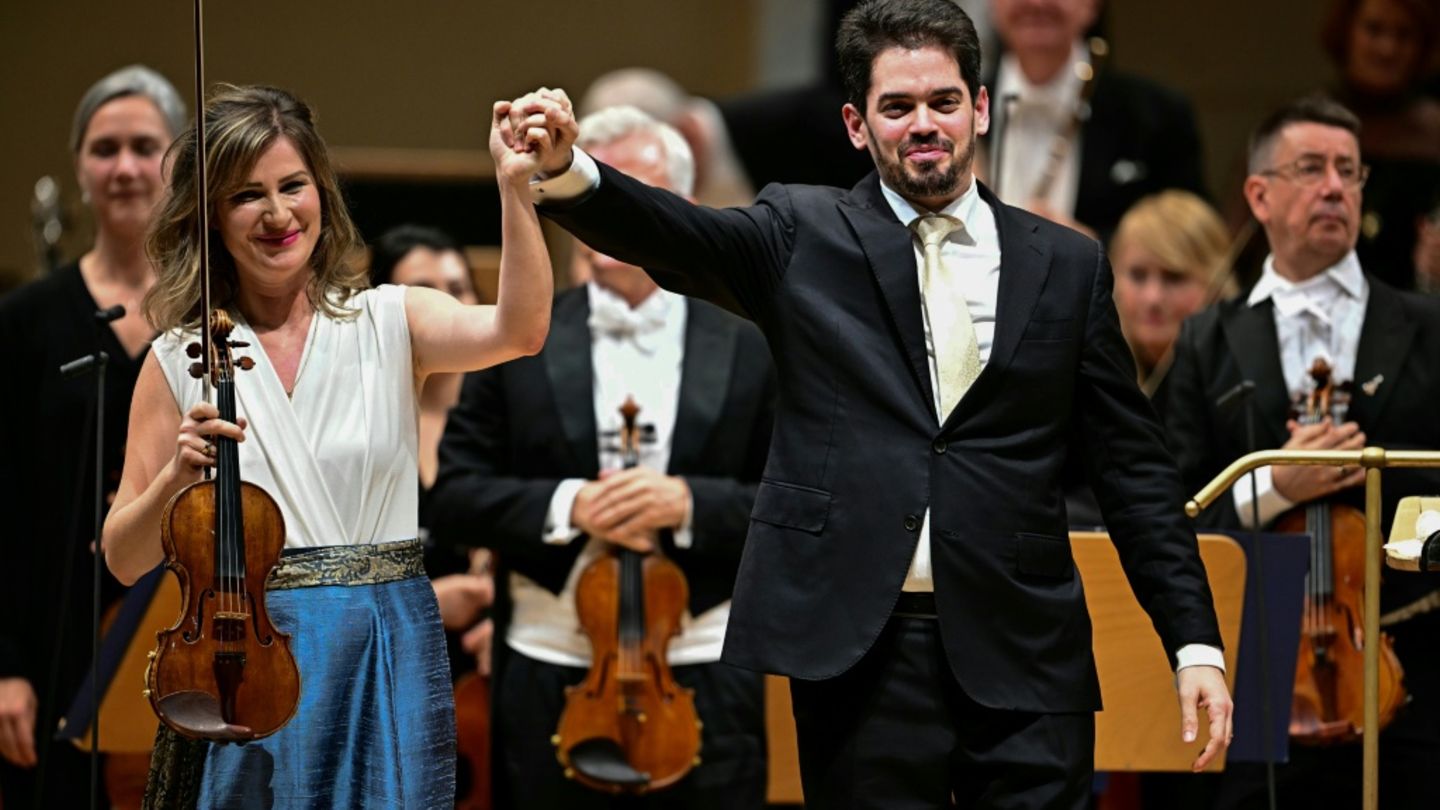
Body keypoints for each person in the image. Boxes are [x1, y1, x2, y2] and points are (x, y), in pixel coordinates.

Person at [505, 1, 1233, 807]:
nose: (925, 124)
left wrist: (1194, 641)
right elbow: (676, 232)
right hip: (863, 655)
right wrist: (573, 173)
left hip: (1026, 651)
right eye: (898, 107)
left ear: (980, 109)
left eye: (944, 102)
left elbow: (1134, 472)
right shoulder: (800, 234)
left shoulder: (1068, 263)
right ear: (858, 124)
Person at [100, 84, 553, 808]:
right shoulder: (178, 357)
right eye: (248, 195)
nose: (279, 215)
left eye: (293, 186)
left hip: (384, 645)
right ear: (212, 216)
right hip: (243, 664)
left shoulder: (389, 320)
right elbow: (124, 559)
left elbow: (520, 329)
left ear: (322, 193)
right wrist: (171, 483)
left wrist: (516, 186)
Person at [430, 105, 776, 810]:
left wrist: (690, 504)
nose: (601, 212)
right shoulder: (517, 335)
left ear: (677, 208)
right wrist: (570, 504)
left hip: (704, 666)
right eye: (587, 185)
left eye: (627, 191)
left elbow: (798, 498)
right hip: (548, 667)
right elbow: (455, 493)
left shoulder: (752, 340)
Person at [1165, 94, 1440, 810]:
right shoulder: (1208, 339)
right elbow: (1167, 514)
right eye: (1311, 168)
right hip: (1261, 660)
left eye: (1349, 172)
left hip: (1415, 655)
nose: (1334, 188)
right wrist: (1276, 488)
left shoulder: (1427, 327)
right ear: (1258, 194)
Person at [0, 64, 185, 810]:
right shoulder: (24, 320)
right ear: (79, 166)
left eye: (146, 145)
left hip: (193, 635)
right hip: (53, 641)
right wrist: (4, 664)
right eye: (104, 149)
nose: (126, 167)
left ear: (178, 160)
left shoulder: (219, 310)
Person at [1064, 189, 1233, 530]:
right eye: (1138, 276)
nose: (1153, 298)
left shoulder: (1234, 376)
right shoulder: (1083, 367)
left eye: (1174, 277)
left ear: (1216, 280)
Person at [982, 0, 1208, 242]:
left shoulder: (1159, 115)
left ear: (1093, 5)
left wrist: (1095, 250)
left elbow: (1193, 242)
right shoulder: (951, 109)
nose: (1037, 3)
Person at [1321, 0, 1440, 293]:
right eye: (1374, 30)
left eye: (1404, 35)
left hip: (1419, 316)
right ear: (1346, 33)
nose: (1387, 49)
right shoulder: (1305, 125)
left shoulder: (1436, 131)